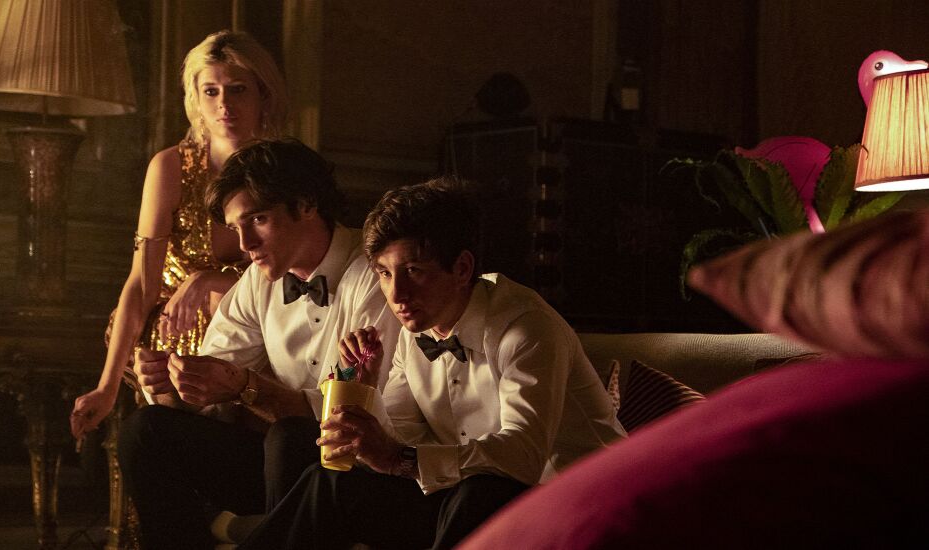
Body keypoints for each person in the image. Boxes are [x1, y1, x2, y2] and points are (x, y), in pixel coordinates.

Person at [239, 178, 627, 549]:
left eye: (413, 272)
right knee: (326, 480)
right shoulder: (415, 332)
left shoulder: (525, 327)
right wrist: (366, 391)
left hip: (581, 504)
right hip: (465, 496)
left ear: (462, 268)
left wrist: (400, 457)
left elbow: (522, 457)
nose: (397, 294)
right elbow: (402, 439)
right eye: (384, 273)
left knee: (479, 491)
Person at [117, 139, 401, 549]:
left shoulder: (377, 272)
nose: (245, 243)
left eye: (258, 220)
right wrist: (173, 386)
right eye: (236, 228)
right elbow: (216, 376)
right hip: (278, 459)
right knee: (145, 431)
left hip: (355, 464)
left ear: (306, 204)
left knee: (288, 437)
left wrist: (246, 387)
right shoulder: (258, 278)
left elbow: (353, 411)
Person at [70, 30, 289, 438]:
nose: (224, 104)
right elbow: (141, 283)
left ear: (263, 95)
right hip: (175, 343)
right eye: (211, 91)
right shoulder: (171, 167)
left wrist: (210, 280)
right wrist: (107, 386)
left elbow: (295, 279)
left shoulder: (285, 171)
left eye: (237, 89)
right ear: (195, 100)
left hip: (262, 335)